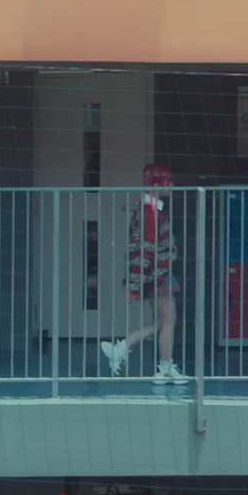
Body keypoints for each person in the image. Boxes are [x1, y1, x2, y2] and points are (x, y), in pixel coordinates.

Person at [99, 163, 188, 385]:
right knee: (168, 321)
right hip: (159, 274)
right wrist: (144, 279)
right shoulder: (149, 212)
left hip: (156, 273)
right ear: (159, 185)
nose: (172, 186)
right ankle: (162, 368)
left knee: (164, 321)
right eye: (169, 182)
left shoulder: (149, 209)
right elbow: (147, 248)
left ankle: (124, 349)